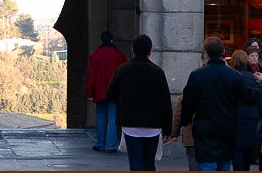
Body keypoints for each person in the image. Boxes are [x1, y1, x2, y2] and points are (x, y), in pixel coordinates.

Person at [181, 37, 262, 171]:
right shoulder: (234, 76)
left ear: (206, 53)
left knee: (207, 164)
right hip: (228, 127)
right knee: (224, 164)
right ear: (223, 52)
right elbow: (249, 97)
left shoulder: (197, 75)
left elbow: (188, 102)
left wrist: (186, 120)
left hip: (205, 128)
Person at [105, 34, 172, 171]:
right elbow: (165, 102)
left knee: (135, 163)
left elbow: (110, 94)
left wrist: (124, 101)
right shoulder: (157, 72)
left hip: (130, 123)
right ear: (150, 50)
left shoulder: (122, 70)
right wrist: (168, 129)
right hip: (153, 125)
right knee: (150, 164)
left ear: (133, 49)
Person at [85, 30, 127, 153]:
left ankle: (101, 144)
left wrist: (90, 93)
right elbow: (124, 75)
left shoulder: (95, 56)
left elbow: (91, 76)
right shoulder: (120, 55)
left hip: (100, 92)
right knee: (113, 119)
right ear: (112, 40)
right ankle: (111, 146)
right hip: (115, 93)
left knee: (101, 118)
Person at [230, 50, 262, 170]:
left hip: (234, 117)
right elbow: (259, 100)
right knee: (248, 151)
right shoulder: (253, 77)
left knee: (237, 150)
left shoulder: (230, 76)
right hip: (252, 117)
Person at [172, 52, 209, 171]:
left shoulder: (195, 76)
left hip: (192, 127)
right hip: (209, 128)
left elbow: (179, 110)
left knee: (193, 158)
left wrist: (175, 132)